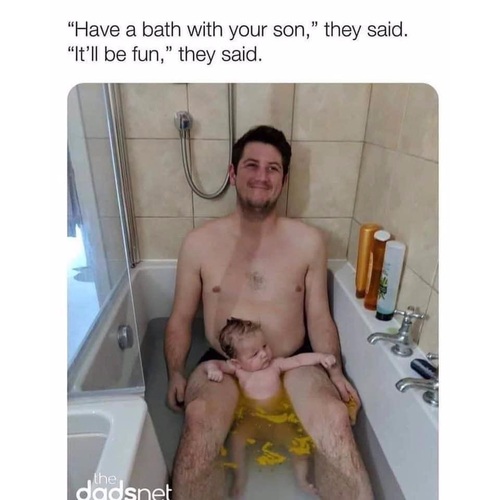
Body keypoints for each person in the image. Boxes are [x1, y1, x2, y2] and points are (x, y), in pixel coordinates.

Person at [165, 125, 373, 499]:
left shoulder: (309, 242)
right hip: (224, 365)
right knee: (198, 418)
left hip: (294, 363)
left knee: (335, 417)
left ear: (284, 180)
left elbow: (319, 318)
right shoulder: (199, 243)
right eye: (252, 165)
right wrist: (175, 373)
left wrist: (335, 371)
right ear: (232, 173)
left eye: (273, 168)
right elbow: (180, 318)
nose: (262, 176)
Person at [204, 316, 337, 498]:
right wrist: (213, 370)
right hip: (250, 420)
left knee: (297, 445)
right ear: (236, 362)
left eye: (264, 346)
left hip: (278, 419)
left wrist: (322, 357)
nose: (264, 354)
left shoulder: (276, 365)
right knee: (236, 442)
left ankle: (302, 480)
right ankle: (240, 478)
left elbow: (299, 360)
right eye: (254, 354)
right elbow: (212, 363)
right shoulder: (238, 371)